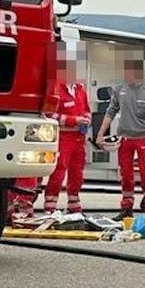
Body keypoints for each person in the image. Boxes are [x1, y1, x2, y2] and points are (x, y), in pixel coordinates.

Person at [96, 57, 145, 217]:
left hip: (143, 138)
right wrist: (100, 133)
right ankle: (126, 209)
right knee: (126, 175)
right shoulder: (120, 89)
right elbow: (110, 111)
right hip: (125, 138)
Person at [41, 50, 91, 214]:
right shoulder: (56, 89)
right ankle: (50, 208)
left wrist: (87, 119)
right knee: (58, 173)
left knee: (77, 173)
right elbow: (49, 114)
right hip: (63, 138)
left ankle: (74, 205)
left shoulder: (80, 90)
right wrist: (73, 120)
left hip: (79, 138)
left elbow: (87, 110)